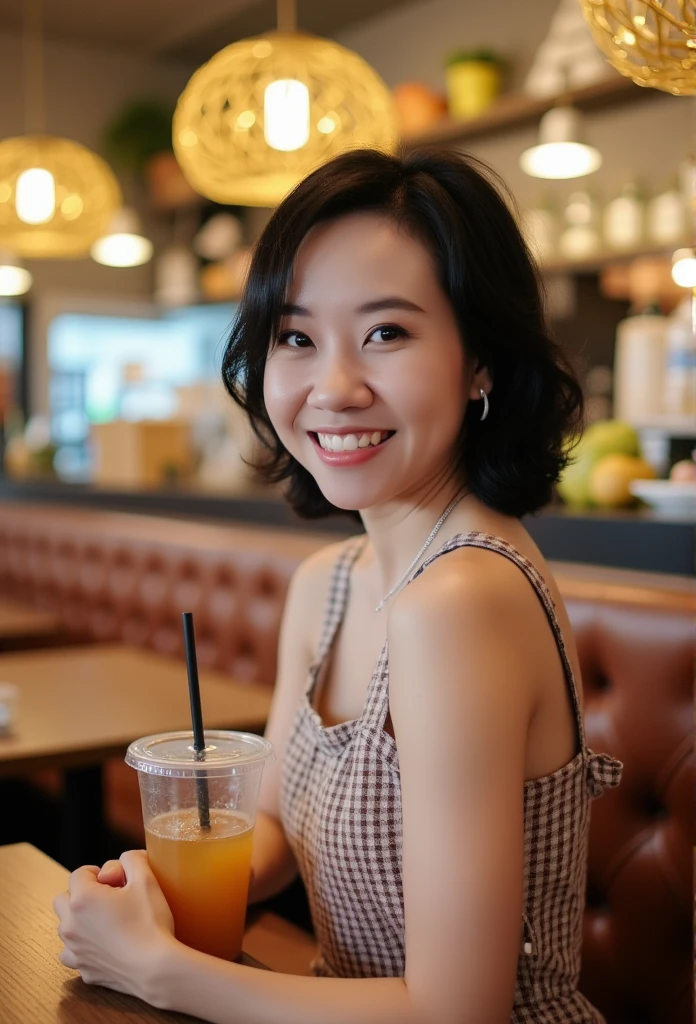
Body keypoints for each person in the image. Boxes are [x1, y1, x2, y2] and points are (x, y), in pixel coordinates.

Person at [54, 147, 622, 1024]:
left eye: (386, 333)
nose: (334, 386)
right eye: (296, 337)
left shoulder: (462, 600)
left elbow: (455, 1010)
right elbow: (273, 833)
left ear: (483, 361)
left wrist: (157, 970)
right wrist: (156, 891)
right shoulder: (330, 579)